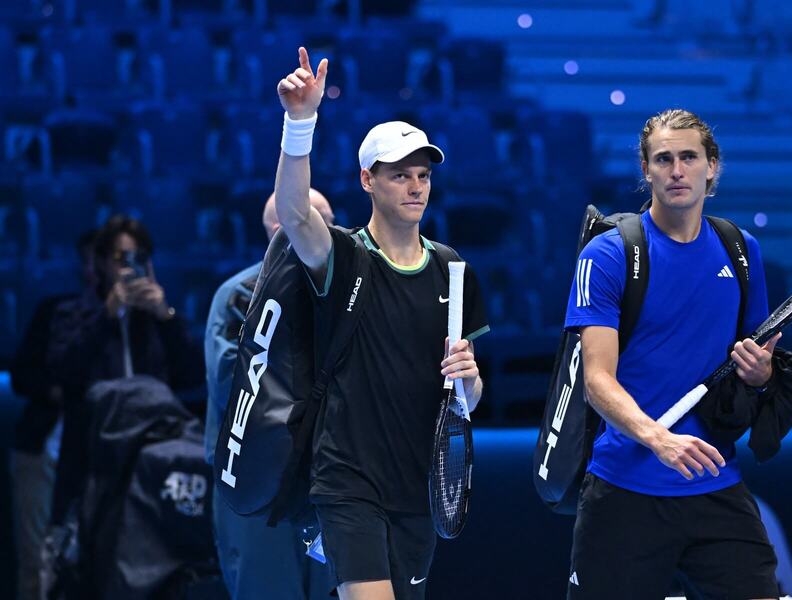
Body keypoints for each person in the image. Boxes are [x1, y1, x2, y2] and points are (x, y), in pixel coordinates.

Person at [271, 47, 490, 600]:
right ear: (368, 180)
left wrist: (467, 377)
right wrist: (301, 123)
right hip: (347, 480)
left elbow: (470, 396)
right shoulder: (343, 255)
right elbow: (295, 213)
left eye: (422, 175)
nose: (416, 186)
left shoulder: (453, 267)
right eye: (399, 176)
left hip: (420, 484)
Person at [564, 109, 781, 599]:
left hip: (715, 483)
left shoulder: (741, 250)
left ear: (712, 167)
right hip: (624, 491)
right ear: (646, 170)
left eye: (688, 157)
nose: (677, 170)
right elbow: (597, 380)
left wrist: (760, 373)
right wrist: (659, 439)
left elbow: (753, 364)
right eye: (663, 159)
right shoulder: (607, 255)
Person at [204, 190, 334, 600]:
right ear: (280, 231)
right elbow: (234, 385)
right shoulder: (240, 296)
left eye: (329, 223)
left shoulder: (348, 296)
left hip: (327, 479)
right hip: (254, 479)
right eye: (314, 222)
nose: (327, 234)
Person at [47, 214, 204, 523]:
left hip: (152, 458)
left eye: (139, 258)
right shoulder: (73, 315)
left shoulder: (161, 319)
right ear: (102, 262)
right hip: (92, 458)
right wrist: (107, 315)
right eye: (121, 258)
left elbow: (193, 377)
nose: (129, 266)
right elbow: (62, 370)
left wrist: (165, 316)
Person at [9, 231, 95, 600]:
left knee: (94, 562)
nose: (98, 270)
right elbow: (23, 375)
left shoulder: (135, 320)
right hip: (43, 448)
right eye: (91, 259)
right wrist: (61, 393)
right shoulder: (56, 310)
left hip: (100, 458)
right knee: (35, 560)